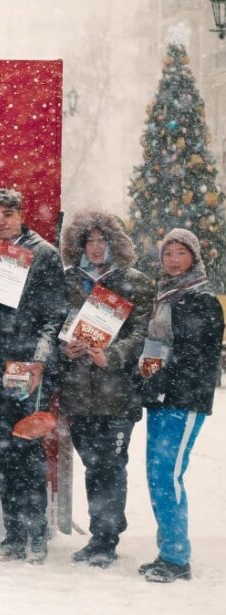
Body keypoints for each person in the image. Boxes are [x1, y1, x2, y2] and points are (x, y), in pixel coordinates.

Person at [0, 188, 66, 564]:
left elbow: (56, 315)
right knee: (5, 453)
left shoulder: (45, 256)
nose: (1, 222)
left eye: (7, 214)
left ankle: (36, 535)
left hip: (29, 367)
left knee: (28, 450)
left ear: (22, 215)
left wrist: (39, 362)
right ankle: (13, 536)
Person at [56, 211, 153, 568]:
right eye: (89, 241)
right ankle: (103, 530)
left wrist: (110, 356)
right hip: (78, 393)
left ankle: (106, 538)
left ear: (115, 243)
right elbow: (55, 326)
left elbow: (142, 334)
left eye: (102, 241)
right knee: (93, 465)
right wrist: (64, 349)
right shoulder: (68, 280)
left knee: (110, 466)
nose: (95, 248)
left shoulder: (136, 282)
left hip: (118, 394)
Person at [137, 228, 224, 583]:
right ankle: (168, 551)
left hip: (183, 400)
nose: (173, 259)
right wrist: (147, 378)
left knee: (166, 475)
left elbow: (197, 358)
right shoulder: (164, 296)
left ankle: (176, 557)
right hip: (160, 398)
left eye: (181, 253)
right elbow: (153, 348)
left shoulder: (201, 299)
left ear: (194, 258)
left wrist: (160, 380)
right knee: (156, 475)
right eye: (168, 253)